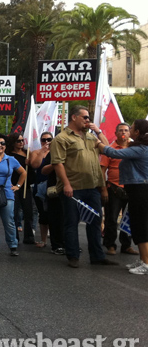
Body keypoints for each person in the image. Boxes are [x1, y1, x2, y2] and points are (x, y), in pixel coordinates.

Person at [51, 105, 116, 268]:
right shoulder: (62, 138)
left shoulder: (90, 137)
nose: (88, 121)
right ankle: (73, 255)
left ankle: (97, 256)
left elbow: (108, 149)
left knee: (95, 221)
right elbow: (58, 164)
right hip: (73, 188)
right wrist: (66, 184)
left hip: (92, 186)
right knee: (71, 222)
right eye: (85, 117)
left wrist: (98, 131)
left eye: (89, 118)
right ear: (74, 117)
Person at [97, 119, 148, 274]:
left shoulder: (141, 148)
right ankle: (142, 260)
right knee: (137, 226)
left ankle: (146, 263)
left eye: (131, 128)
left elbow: (114, 153)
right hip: (135, 189)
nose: (129, 131)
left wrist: (98, 142)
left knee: (142, 226)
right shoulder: (138, 147)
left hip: (141, 190)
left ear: (137, 132)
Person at [100, 123, 138, 255]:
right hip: (114, 188)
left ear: (130, 133)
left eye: (126, 130)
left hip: (131, 188)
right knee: (112, 218)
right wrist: (103, 189)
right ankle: (110, 245)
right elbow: (102, 170)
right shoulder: (110, 149)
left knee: (128, 218)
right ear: (116, 133)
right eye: (121, 130)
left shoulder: (135, 149)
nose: (124, 132)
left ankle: (126, 245)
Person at [29, 132, 63, 252]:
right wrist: (43, 151)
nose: (47, 142)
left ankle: (59, 240)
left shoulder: (57, 152)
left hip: (54, 186)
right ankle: (44, 240)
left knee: (55, 214)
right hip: (40, 186)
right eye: (44, 140)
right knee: (43, 214)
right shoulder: (36, 152)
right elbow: (35, 165)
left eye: (49, 139)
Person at [6, 133, 36, 244]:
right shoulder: (9, 155)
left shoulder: (28, 153)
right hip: (13, 186)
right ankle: (15, 237)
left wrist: (30, 163)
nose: (21, 143)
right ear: (13, 142)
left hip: (26, 187)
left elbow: (32, 173)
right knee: (14, 213)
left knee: (28, 212)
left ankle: (29, 236)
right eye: (18, 141)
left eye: (22, 140)